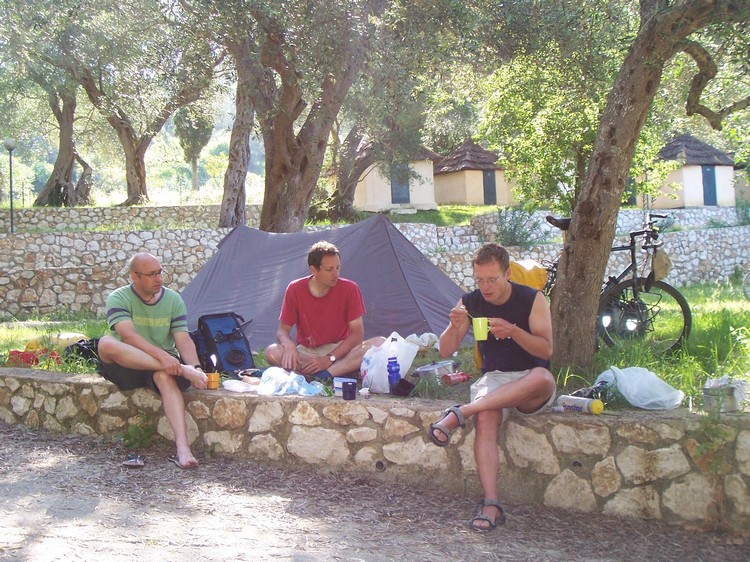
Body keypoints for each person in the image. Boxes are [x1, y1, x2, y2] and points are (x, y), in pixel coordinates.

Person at [427, 242, 556, 532]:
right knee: (486, 418)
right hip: (495, 378)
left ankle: (461, 412)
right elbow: (445, 351)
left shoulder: (532, 299)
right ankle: (491, 503)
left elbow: (546, 351)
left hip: (530, 380)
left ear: (508, 273)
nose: (486, 287)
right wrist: (453, 324)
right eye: (480, 280)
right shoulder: (471, 302)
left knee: (544, 378)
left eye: (492, 279)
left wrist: (513, 331)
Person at [97, 252, 208, 469]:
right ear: (134, 277)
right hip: (129, 361)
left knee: (164, 377)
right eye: (151, 274)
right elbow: (129, 336)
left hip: (161, 366)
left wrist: (195, 367)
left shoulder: (173, 299)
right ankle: (179, 368)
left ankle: (183, 449)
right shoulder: (118, 298)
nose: (159, 278)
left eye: (160, 272)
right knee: (106, 344)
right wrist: (170, 361)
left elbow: (182, 338)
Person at [265, 241, 385, 379]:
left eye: (338, 268)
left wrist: (329, 359)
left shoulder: (350, 289)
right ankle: (333, 371)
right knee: (272, 351)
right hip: (307, 353)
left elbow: (357, 335)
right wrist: (289, 345)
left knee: (380, 342)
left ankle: (324, 374)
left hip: (340, 352)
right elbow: (282, 331)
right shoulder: (295, 289)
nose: (336, 274)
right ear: (313, 270)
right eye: (329, 269)